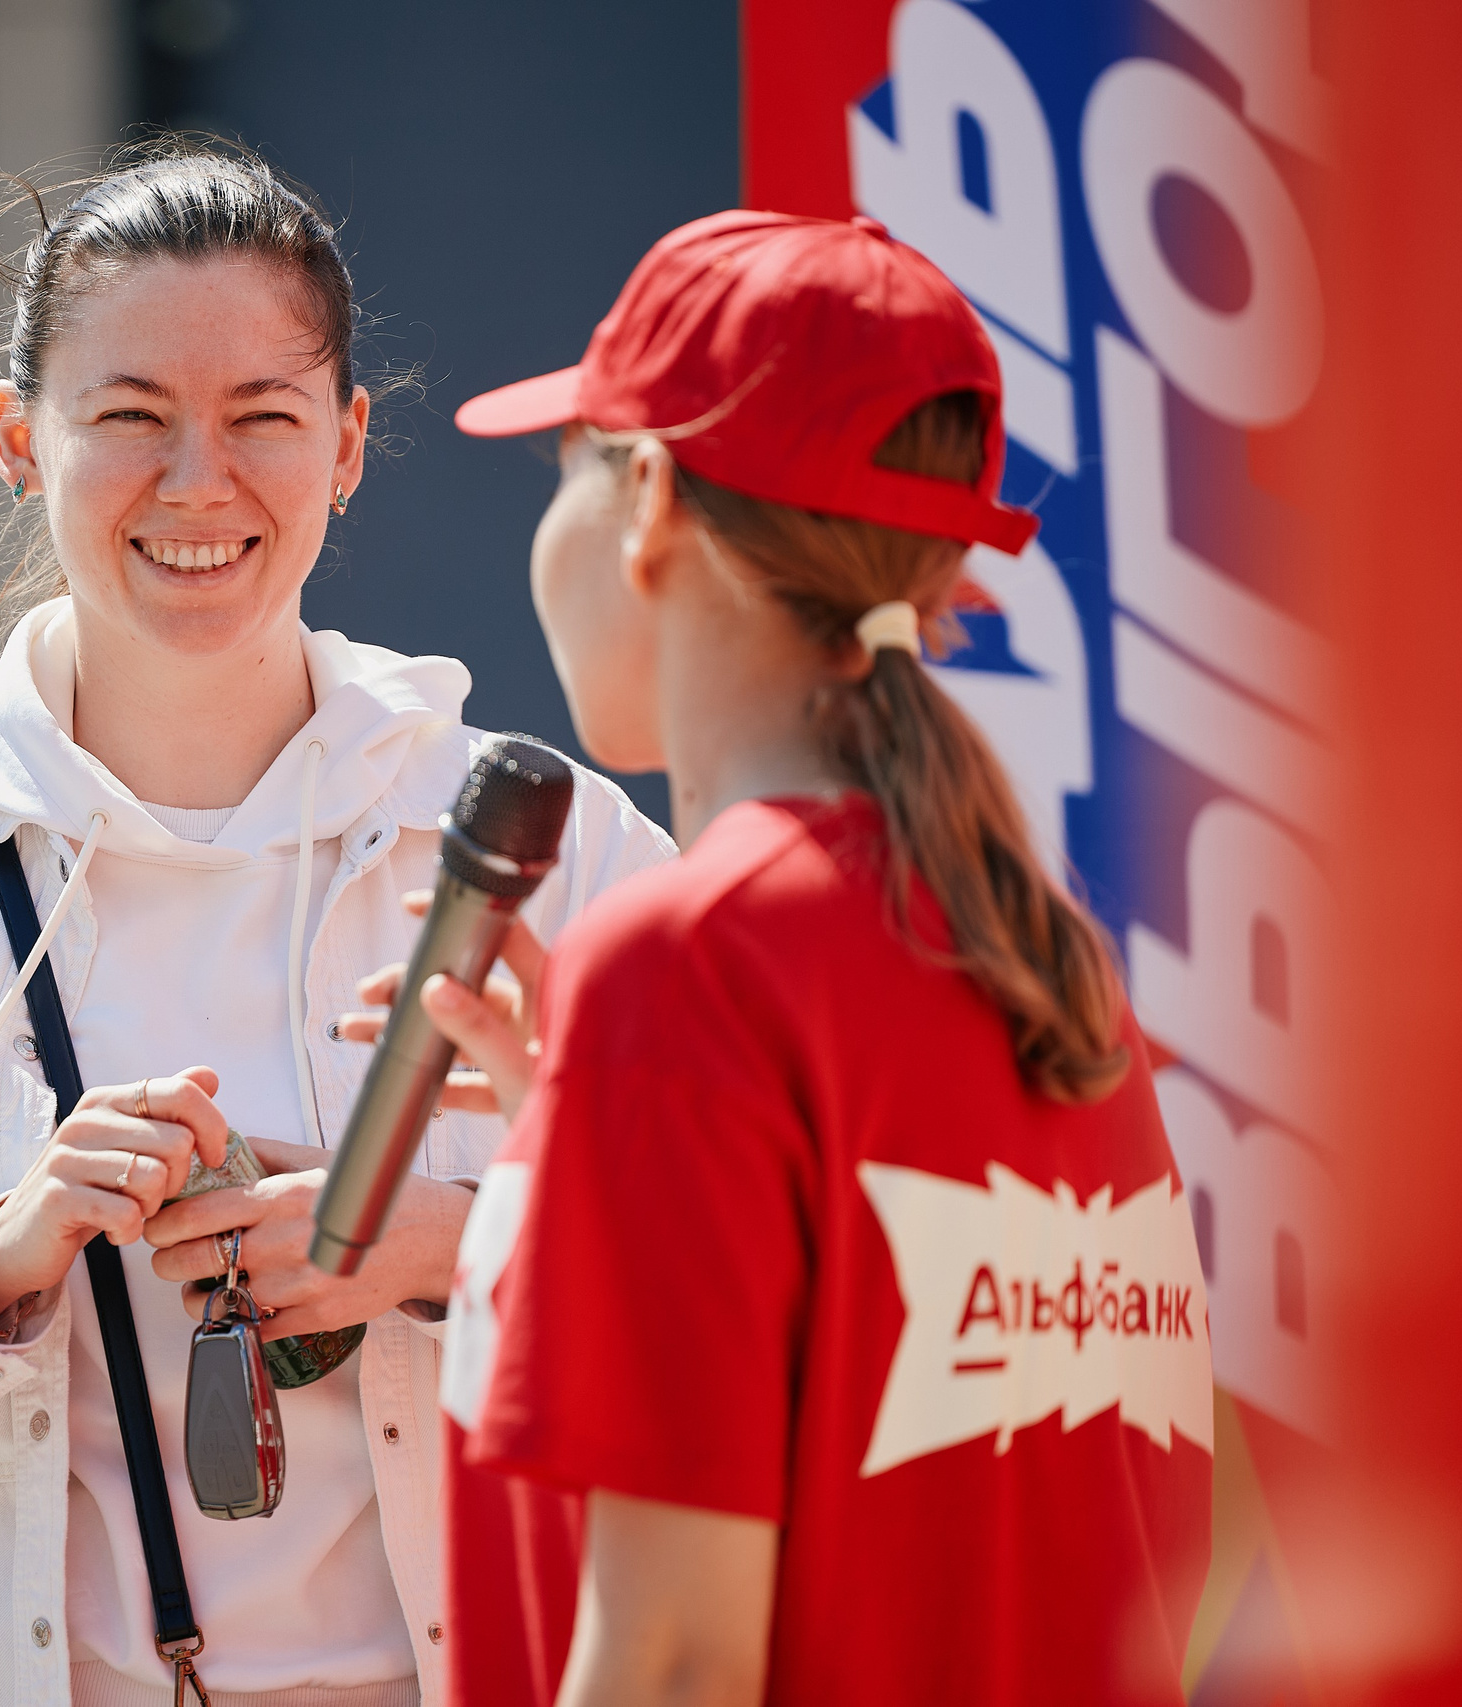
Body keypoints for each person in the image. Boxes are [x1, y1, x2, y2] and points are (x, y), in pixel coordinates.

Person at [0, 144, 673, 1707]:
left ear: (351, 443)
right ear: (16, 441)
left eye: (264, 418)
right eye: (128, 418)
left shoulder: (540, 854)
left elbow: (765, 1310)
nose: (198, 484)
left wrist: (448, 1252)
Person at [405, 213, 1215, 1706]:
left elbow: (671, 1669)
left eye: (564, 462)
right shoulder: (1039, 958)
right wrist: (575, 1157)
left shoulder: (692, 963)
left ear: (645, 496)